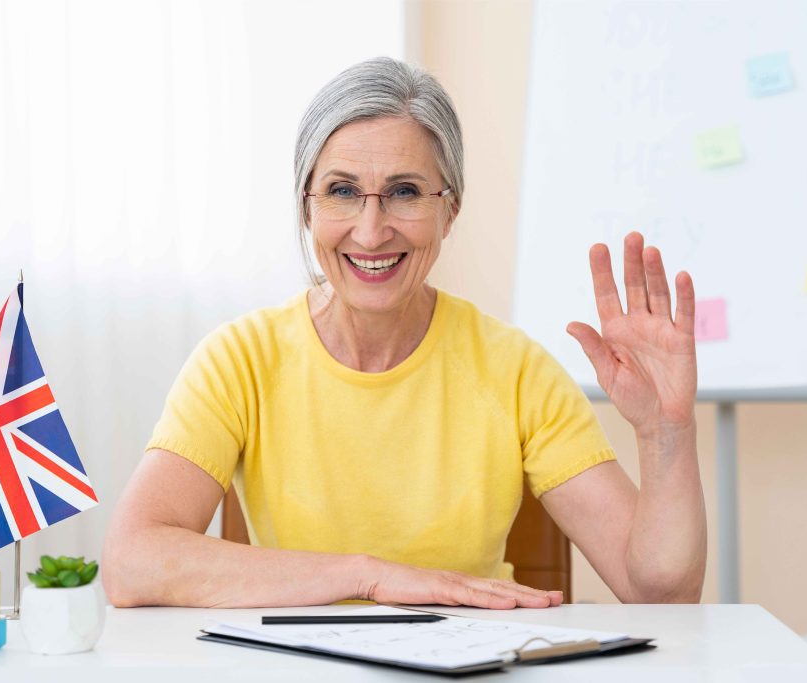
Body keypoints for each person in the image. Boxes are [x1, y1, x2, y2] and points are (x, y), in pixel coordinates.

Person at [102, 57, 705, 609]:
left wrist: (665, 434)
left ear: (452, 209)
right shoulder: (239, 360)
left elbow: (658, 591)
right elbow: (132, 563)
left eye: (405, 193)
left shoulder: (517, 370)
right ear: (307, 207)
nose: (370, 231)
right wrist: (366, 576)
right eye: (342, 191)